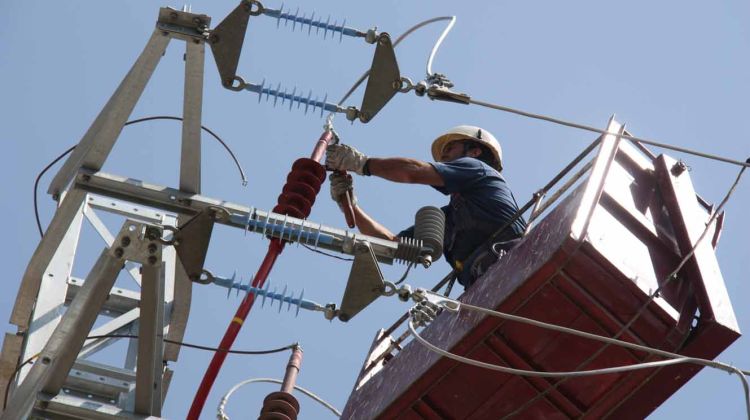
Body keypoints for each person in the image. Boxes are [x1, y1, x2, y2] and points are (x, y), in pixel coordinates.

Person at [325, 125, 526, 289]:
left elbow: (414, 172)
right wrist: (350, 206)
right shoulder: (451, 218)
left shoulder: (478, 169)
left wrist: (362, 164)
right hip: (485, 284)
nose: (443, 157)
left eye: (450, 148)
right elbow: (392, 245)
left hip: (515, 262)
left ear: (474, 152)